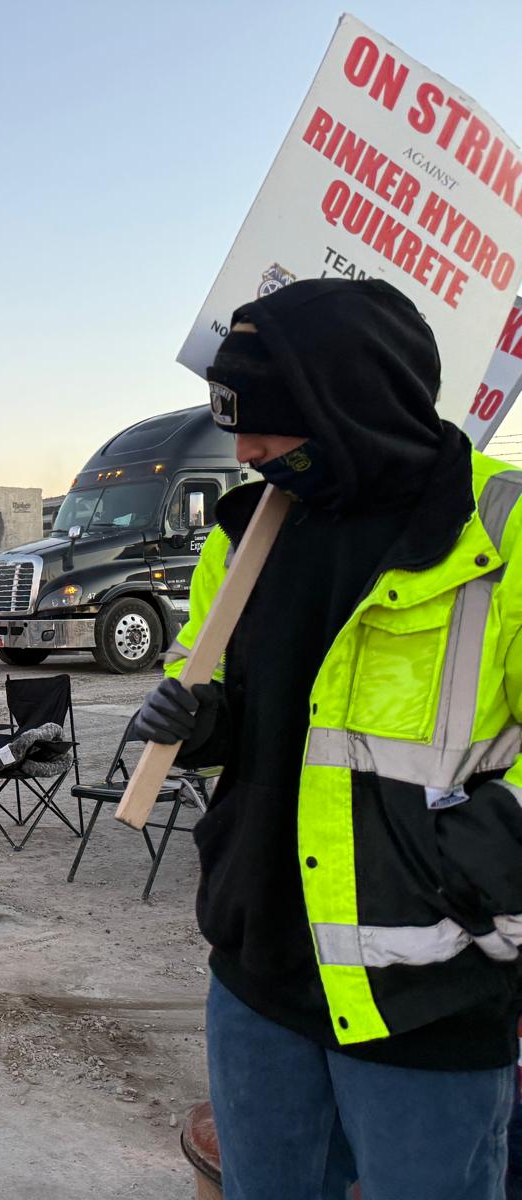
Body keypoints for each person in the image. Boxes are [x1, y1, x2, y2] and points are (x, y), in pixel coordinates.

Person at [131, 278, 522, 1199]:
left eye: (269, 423)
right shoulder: (250, 530)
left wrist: (481, 858)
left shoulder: (499, 531)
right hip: (259, 974)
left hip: (429, 986)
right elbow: (225, 683)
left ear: (347, 401)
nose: (248, 450)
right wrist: (197, 724)